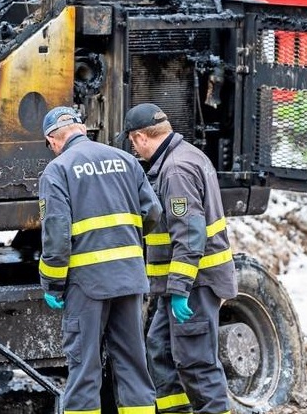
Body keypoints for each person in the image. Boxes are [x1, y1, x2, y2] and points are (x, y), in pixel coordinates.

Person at [38, 105, 161, 414]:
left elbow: (56, 232)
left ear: (53, 139)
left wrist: (52, 283)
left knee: (84, 369)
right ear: (81, 129)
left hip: (87, 284)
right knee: (134, 365)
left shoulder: (58, 169)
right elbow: (153, 212)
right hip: (130, 279)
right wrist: (124, 238)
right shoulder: (126, 160)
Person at [117, 103, 237, 414]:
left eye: (132, 141)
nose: (134, 149)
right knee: (161, 352)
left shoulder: (176, 170)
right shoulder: (187, 155)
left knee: (196, 363)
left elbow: (190, 234)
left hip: (195, 283)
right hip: (181, 284)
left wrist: (180, 289)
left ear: (142, 137)